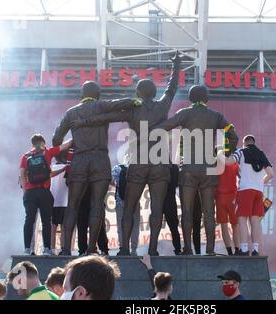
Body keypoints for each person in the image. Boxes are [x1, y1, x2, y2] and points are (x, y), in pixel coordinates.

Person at [70, 52, 182, 256]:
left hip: (138, 162)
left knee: (129, 207)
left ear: (138, 93)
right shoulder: (162, 105)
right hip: (159, 163)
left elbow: (107, 116)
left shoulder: (132, 110)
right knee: (157, 209)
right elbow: (172, 88)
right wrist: (177, 66)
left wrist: (84, 122)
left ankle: (123, 249)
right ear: (154, 92)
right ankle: (153, 249)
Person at [52, 81, 137, 256]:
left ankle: (66, 249)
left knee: (72, 205)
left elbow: (56, 139)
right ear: (97, 95)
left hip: (79, 160)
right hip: (99, 158)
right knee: (97, 204)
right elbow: (122, 102)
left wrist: (62, 158)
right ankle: (92, 249)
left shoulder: (71, 112)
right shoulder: (101, 106)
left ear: (82, 95)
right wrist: (137, 100)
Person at [154, 85, 238, 255]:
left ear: (191, 98)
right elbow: (233, 136)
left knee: (187, 210)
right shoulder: (216, 116)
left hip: (189, 168)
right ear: (206, 98)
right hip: (208, 168)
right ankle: (210, 250)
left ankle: (187, 249)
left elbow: (165, 126)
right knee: (209, 211)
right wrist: (224, 152)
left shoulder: (184, 113)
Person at [219, 134, 273, 256]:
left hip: (245, 191)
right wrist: (260, 182)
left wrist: (219, 154)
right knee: (255, 221)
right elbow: (271, 174)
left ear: (244, 143)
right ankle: (255, 249)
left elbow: (229, 162)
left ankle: (243, 249)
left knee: (242, 219)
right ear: (254, 143)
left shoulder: (241, 151)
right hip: (258, 191)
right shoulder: (261, 154)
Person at [19, 134, 73, 256]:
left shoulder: (25, 156)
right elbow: (66, 145)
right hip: (44, 192)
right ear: (43, 143)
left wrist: (25, 191)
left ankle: (27, 249)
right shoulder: (47, 152)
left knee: (29, 220)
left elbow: (22, 174)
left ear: (32, 144)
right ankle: (47, 249)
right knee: (46, 221)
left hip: (30, 193)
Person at [112, 156, 140, 256]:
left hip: (120, 201)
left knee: (120, 226)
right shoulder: (138, 168)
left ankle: (123, 248)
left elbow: (111, 182)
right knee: (135, 226)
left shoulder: (117, 168)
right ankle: (133, 250)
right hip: (135, 202)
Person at [215, 146, 240, 256]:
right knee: (235, 225)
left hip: (220, 197)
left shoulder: (215, 165)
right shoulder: (233, 164)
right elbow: (242, 176)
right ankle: (238, 250)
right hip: (233, 198)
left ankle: (229, 251)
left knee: (224, 225)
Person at [77, 188, 110, 256]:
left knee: (82, 226)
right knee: (99, 226)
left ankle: (83, 250)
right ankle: (103, 249)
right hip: (95, 198)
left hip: (82, 197)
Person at [163, 164, 182, 255]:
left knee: (156, 226)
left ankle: (153, 248)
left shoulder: (156, 168)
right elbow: (176, 183)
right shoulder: (174, 168)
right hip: (170, 201)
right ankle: (178, 249)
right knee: (174, 227)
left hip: (161, 200)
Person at [50, 159, 68, 254]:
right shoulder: (67, 167)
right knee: (64, 227)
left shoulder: (50, 166)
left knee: (52, 227)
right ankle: (63, 249)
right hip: (65, 200)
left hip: (52, 200)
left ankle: (52, 249)